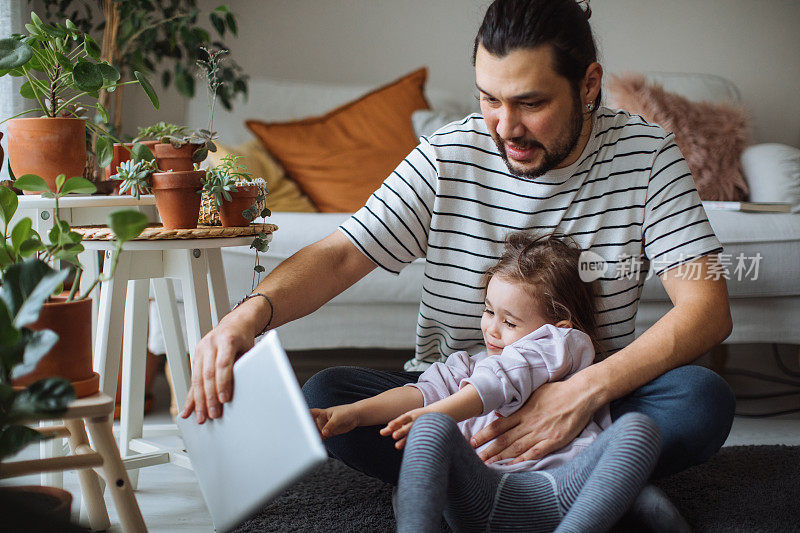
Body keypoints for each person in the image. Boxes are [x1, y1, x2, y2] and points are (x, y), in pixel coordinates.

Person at [182, 0, 734, 522]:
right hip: (450, 402)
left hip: (589, 401)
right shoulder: (449, 155)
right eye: (489, 99)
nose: (506, 127)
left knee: (701, 399)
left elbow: (706, 308)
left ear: (589, 85)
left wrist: (580, 393)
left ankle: (477, 488)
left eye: (531, 103)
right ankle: (587, 486)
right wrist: (244, 318)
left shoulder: (647, 155)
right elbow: (343, 255)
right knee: (328, 396)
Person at [310, 232, 675, 531]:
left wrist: (441, 410)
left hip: (564, 489)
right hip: (481, 494)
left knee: (638, 430)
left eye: (510, 322)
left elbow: (506, 376)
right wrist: (355, 413)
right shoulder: (467, 365)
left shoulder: (565, 347)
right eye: (488, 311)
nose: (492, 329)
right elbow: (419, 394)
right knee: (429, 428)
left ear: (559, 326)